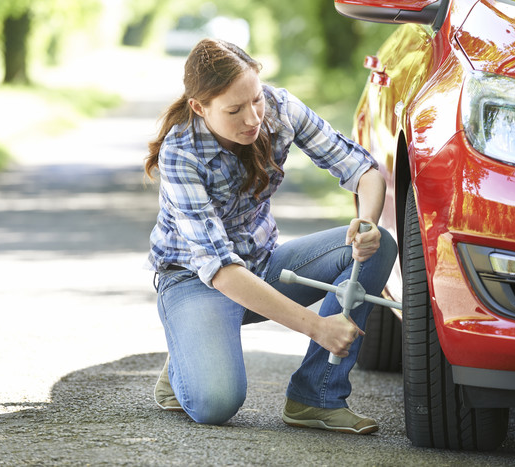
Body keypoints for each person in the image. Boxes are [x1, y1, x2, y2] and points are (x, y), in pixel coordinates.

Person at [144, 38, 395, 435]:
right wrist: (318, 327)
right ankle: (188, 353)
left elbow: (363, 170)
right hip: (196, 280)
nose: (252, 118)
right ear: (199, 107)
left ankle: (316, 396)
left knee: (380, 245)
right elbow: (222, 271)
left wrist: (365, 224)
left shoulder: (280, 108)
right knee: (215, 403)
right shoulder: (180, 152)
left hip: (264, 268)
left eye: (255, 99)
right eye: (234, 110)